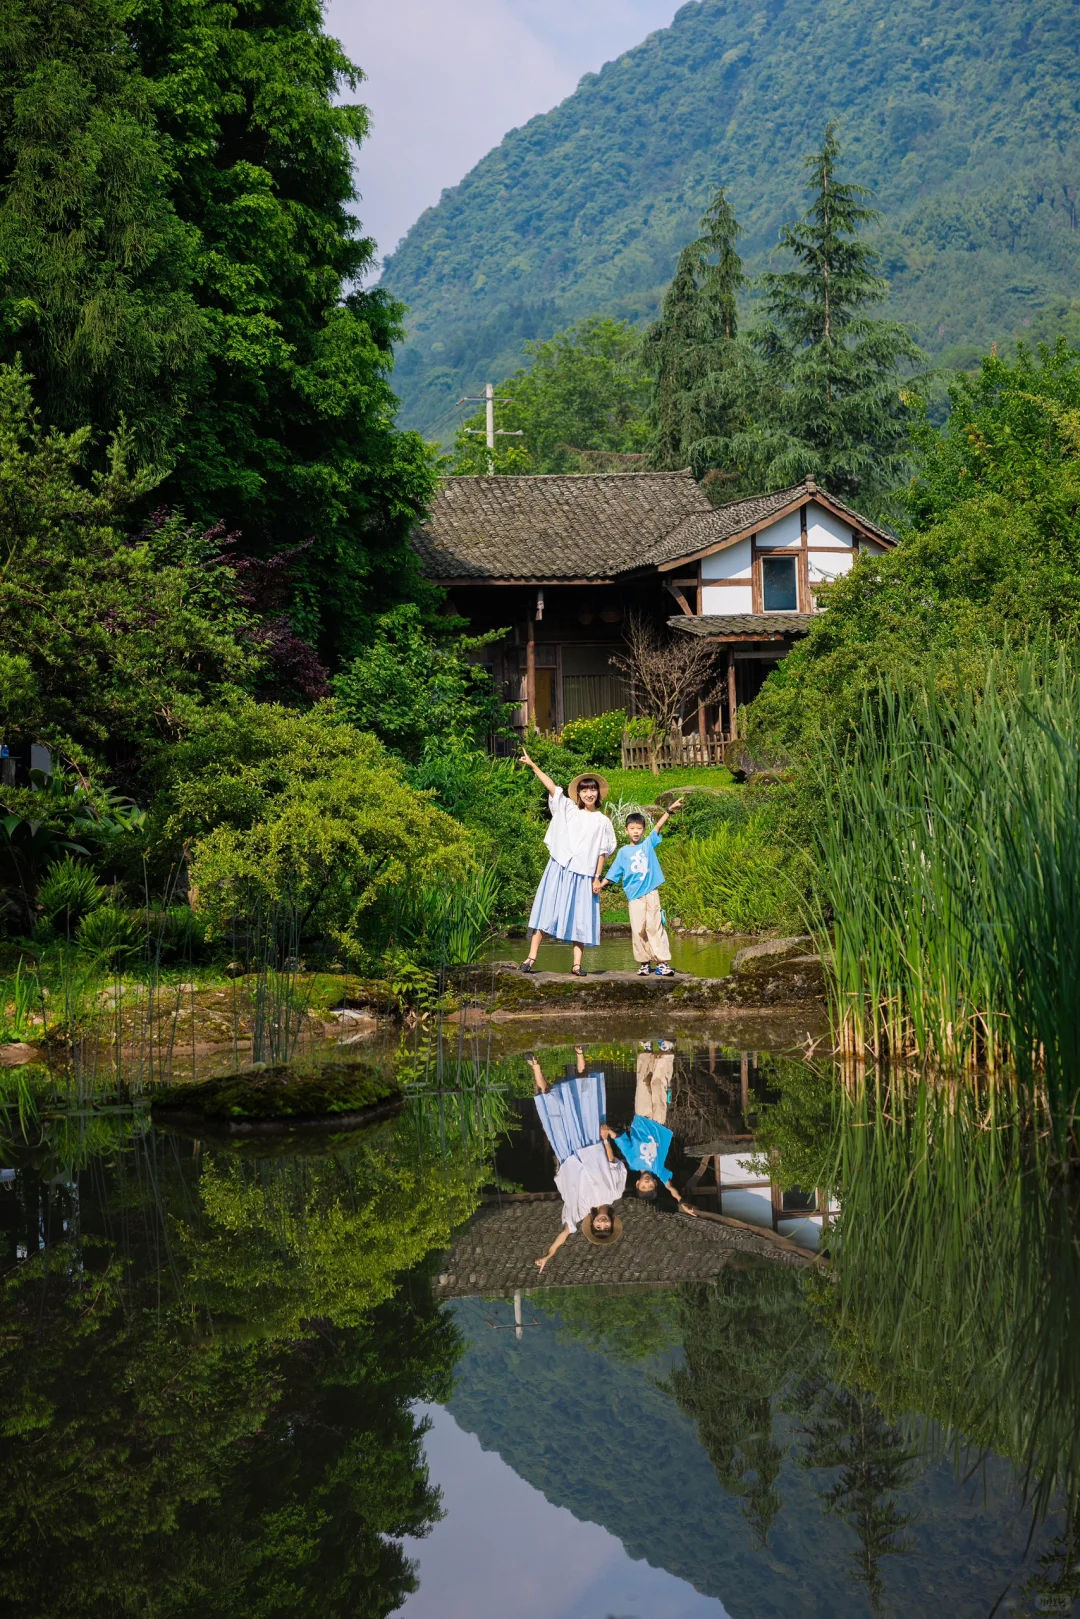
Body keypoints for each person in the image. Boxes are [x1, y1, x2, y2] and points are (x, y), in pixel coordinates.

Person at [519, 749, 617, 977]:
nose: (589, 793)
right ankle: (531, 958)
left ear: (598, 793)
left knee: (580, 918)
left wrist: (597, 877)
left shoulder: (603, 821)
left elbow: (602, 852)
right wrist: (533, 766)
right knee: (546, 911)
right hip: (560, 867)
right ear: (579, 793)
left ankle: (576, 965)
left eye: (592, 789)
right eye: (585, 789)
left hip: (584, 874)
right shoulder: (569, 809)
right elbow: (552, 787)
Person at [528, 1046, 627, 1272]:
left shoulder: (577, 1214)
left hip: (568, 1154)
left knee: (550, 1111)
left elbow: (564, 1235)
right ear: (612, 1221)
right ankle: (580, 1053)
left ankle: (536, 1066)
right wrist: (605, 1140)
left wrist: (548, 1256)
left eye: (599, 1227)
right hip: (592, 1143)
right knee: (585, 1097)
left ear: (592, 1224)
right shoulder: (615, 1192)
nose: (602, 1224)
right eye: (606, 1226)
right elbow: (613, 1163)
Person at [598, 799, 683, 976]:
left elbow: (657, 828)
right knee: (638, 929)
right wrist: (600, 884)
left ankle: (662, 962)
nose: (636, 832)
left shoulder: (647, 844)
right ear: (626, 831)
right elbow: (613, 873)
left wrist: (669, 810)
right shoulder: (623, 852)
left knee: (654, 926)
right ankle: (644, 962)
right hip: (634, 896)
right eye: (632, 829)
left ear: (643, 830)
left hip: (651, 892)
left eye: (639, 828)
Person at [615, 1040, 699, 1214]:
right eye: (650, 1185)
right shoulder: (659, 1171)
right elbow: (671, 1188)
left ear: (638, 1183)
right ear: (654, 1182)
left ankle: (646, 1051)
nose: (647, 1183)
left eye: (644, 1186)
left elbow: (623, 1142)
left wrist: (610, 1133)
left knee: (643, 1084)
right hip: (658, 1122)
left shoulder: (633, 1162)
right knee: (658, 1085)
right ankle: (666, 1052)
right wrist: (682, 1202)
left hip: (641, 1117)